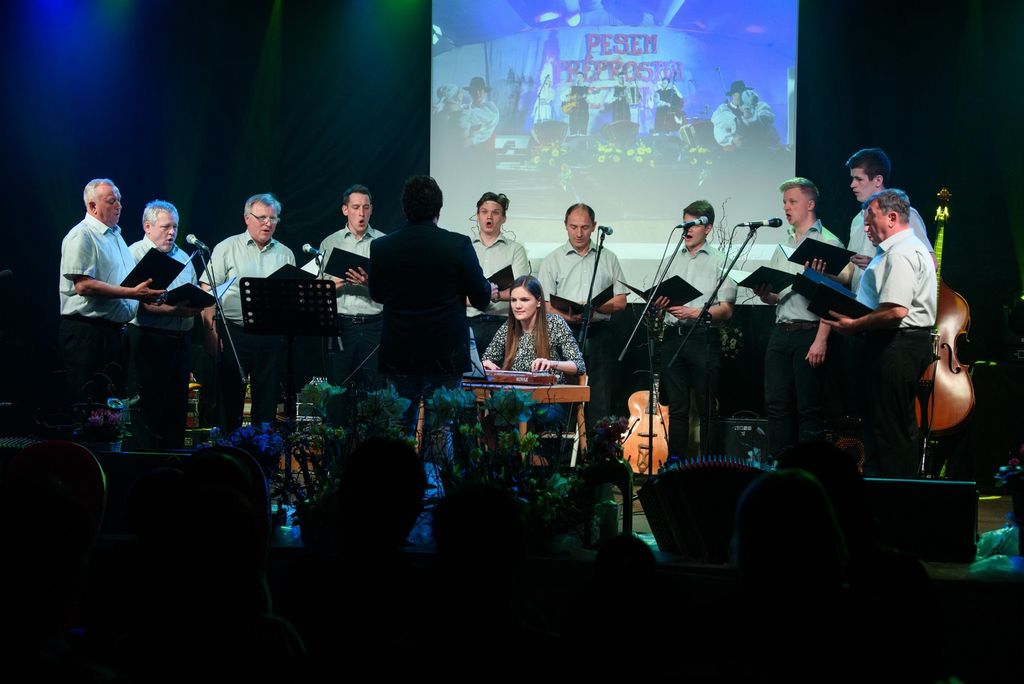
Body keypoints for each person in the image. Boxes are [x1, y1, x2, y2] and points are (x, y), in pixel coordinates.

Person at [822, 189, 937, 477]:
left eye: (871, 219)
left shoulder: (901, 252)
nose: (866, 227)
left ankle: (894, 494)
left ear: (892, 217)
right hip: (891, 344)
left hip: (898, 344)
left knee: (890, 430)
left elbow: (895, 310)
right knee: (881, 426)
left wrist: (855, 325)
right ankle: (882, 490)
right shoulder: (893, 250)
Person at [369, 175, 495, 398]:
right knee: (442, 417)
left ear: (404, 207)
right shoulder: (457, 244)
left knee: (400, 418)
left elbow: (377, 294)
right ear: (439, 209)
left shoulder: (382, 246)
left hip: (400, 352)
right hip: (445, 354)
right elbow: (480, 299)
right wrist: (488, 289)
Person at [753, 178, 844, 457]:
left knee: (808, 408)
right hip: (781, 330)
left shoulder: (828, 242)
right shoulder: (783, 245)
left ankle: (808, 468)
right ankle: (779, 466)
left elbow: (835, 296)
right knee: (776, 405)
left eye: (792, 201)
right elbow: (777, 296)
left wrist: (821, 339)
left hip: (810, 330)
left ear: (810, 204)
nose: (786, 207)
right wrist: (765, 294)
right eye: (784, 202)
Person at [59, 178, 164, 405]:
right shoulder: (83, 235)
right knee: (89, 406)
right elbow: (83, 285)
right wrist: (132, 293)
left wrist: (147, 294)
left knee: (111, 407)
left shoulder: (115, 236)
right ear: (92, 206)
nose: (119, 206)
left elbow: (122, 283)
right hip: (88, 333)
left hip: (114, 333)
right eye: (111, 201)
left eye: (119, 200)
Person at [200, 193, 295, 431]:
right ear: (247, 218)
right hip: (234, 333)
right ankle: (228, 450)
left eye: (273, 218)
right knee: (230, 400)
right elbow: (207, 291)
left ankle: (263, 451)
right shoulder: (226, 248)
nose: (268, 223)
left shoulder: (285, 253)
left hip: (270, 335)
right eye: (262, 217)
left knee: (267, 404)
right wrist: (210, 331)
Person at [653, 200, 736, 458]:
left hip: (702, 338)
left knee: (706, 407)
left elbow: (726, 310)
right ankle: (674, 465)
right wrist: (660, 305)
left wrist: (694, 312)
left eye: (694, 225)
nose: (687, 229)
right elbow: (658, 300)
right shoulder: (671, 259)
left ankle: (708, 466)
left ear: (708, 228)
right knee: (677, 408)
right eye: (685, 224)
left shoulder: (720, 260)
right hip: (673, 337)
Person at [537, 203, 628, 427]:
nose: (579, 233)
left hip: (599, 333)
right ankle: (565, 446)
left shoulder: (608, 258)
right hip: (563, 333)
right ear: (565, 226)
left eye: (585, 227)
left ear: (594, 226)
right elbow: (544, 305)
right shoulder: (552, 259)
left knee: (599, 395)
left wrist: (595, 307)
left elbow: (621, 301)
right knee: (562, 394)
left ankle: (597, 445)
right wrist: (569, 317)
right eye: (573, 227)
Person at [127, 200, 205, 449]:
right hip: (149, 338)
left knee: (176, 406)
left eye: (175, 227)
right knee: (148, 405)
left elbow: (192, 288)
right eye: (165, 227)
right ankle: (145, 460)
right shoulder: (134, 253)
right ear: (147, 227)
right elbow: (138, 301)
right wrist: (175, 310)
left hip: (180, 341)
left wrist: (197, 303)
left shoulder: (183, 255)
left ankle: (173, 459)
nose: (172, 232)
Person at [318, 184, 383, 394]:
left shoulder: (383, 242)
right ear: (345, 210)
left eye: (366, 207)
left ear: (371, 209)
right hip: (341, 326)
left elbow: (394, 288)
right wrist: (332, 285)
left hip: (375, 325)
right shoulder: (330, 243)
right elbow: (318, 289)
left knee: (376, 389)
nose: (361, 213)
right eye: (355, 207)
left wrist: (369, 282)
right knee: (338, 388)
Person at [844, 148, 935, 291]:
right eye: (852, 179)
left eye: (859, 179)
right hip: (860, 302)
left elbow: (930, 264)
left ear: (878, 180)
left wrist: (876, 265)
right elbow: (851, 274)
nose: (852, 184)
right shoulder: (857, 220)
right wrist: (820, 270)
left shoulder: (904, 215)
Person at [466, 192, 531, 359]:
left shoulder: (515, 249)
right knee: (469, 374)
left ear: (503, 219)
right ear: (477, 216)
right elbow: (455, 291)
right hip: (469, 323)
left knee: (502, 374)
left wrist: (495, 295)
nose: (489, 217)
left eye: (495, 213)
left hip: (503, 323)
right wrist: (482, 295)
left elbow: (522, 290)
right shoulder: (465, 247)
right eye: (484, 212)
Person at [711, 80, 776, 150]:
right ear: (733, 94)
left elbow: (766, 123)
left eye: (743, 92)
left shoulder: (755, 106)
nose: (742, 94)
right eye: (739, 92)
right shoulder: (724, 111)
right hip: (737, 150)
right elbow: (719, 132)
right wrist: (732, 140)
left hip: (758, 147)